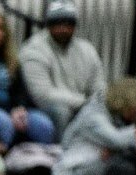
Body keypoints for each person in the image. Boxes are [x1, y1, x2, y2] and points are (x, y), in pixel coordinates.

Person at [0, 7, 55, 148]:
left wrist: (20, 108)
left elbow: (22, 91)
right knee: (3, 123)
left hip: (11, 109)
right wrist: (10, 110)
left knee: (44, 125)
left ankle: (38, 163)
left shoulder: (9, 58)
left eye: (0, 28)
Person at [19, 0, 104, 136]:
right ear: (48, 25)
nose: (63, 29)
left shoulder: (87, 49)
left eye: (69, 24)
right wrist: (84, 102)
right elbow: (43, 95)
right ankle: (61, 152)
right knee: (61, 111)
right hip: (44, 107)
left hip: (83, 105)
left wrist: (97, 103)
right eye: (58, 23)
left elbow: (99, 86)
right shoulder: (33, 49)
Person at [53, 78, 136, 175]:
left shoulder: (113, 114)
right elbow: (116, 140)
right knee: (122, 168)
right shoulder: (93, 117)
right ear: (125, 104)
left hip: (99, 162)